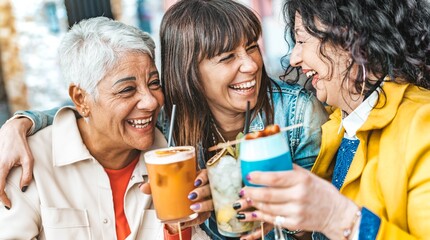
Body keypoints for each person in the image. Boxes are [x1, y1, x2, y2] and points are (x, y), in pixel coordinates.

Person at [0, 0, 328, 239]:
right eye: (228, 57)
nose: (252, 66)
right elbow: (97, 110)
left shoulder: (296, 115)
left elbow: (323, 218)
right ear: (189, 72)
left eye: (252, 48)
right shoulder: (166, 121)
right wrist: (21, 123)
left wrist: (282, 215)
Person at [233, 0, 430, 239]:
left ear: (352, 39)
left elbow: (337, 216)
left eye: (302, 41)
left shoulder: (422, 126)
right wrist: (292, 217)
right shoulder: (339, 124)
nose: (294, 58)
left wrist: (336, 216)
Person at [0, 17, 210, 240]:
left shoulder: (174, 154)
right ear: (81, 99)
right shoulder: (25, 161)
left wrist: (181, 227)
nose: (151, 101)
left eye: (154, 83)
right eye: (127, 89)